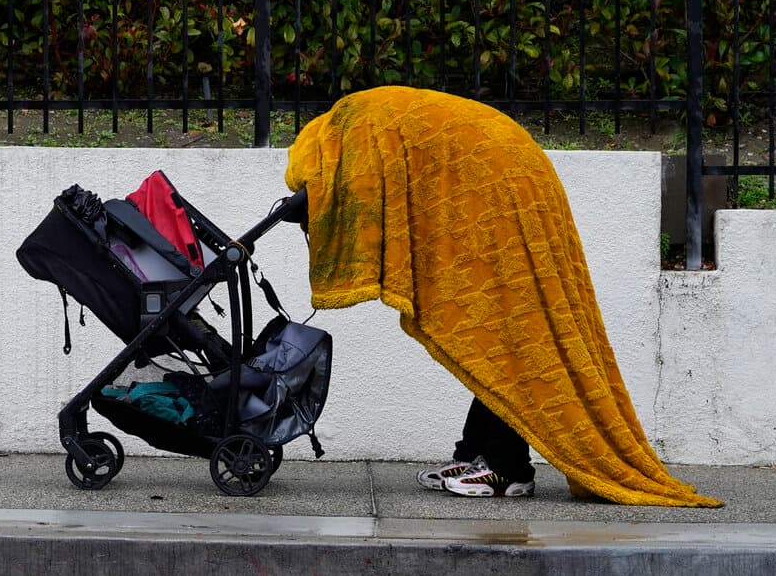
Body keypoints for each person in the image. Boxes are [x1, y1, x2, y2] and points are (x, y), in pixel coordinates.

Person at [284, 86, 721, 507]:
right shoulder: (358, 120)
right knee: (496, 332)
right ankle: (476, 452)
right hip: (509, 173)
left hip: (501, 185)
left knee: (507, 330)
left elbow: (356, 194)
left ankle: (506, 467)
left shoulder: (350, 134)